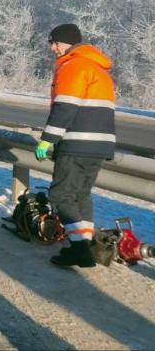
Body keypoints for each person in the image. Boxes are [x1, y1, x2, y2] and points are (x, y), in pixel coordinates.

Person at [35, 23, 116, 268]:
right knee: (81, 196)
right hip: (100, 146)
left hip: (77, 143)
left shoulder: (74, 65)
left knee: (60, 195)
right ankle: (87, 246)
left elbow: (65, 107)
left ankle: (79, 250)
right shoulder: (98, 69)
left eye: (54, 43)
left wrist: (48, 139)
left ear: (65, 42)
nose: (52, 48)